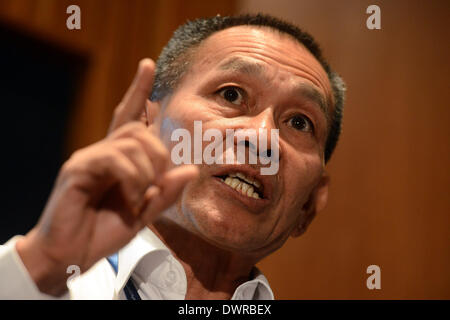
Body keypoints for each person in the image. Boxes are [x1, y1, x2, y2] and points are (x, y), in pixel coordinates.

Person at [0, 14, 345, 299]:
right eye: (231, 94)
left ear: (309, 204)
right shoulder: (41, 281)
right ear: (145, 126)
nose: (261, 137)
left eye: (299, 122)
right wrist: (43, 264)